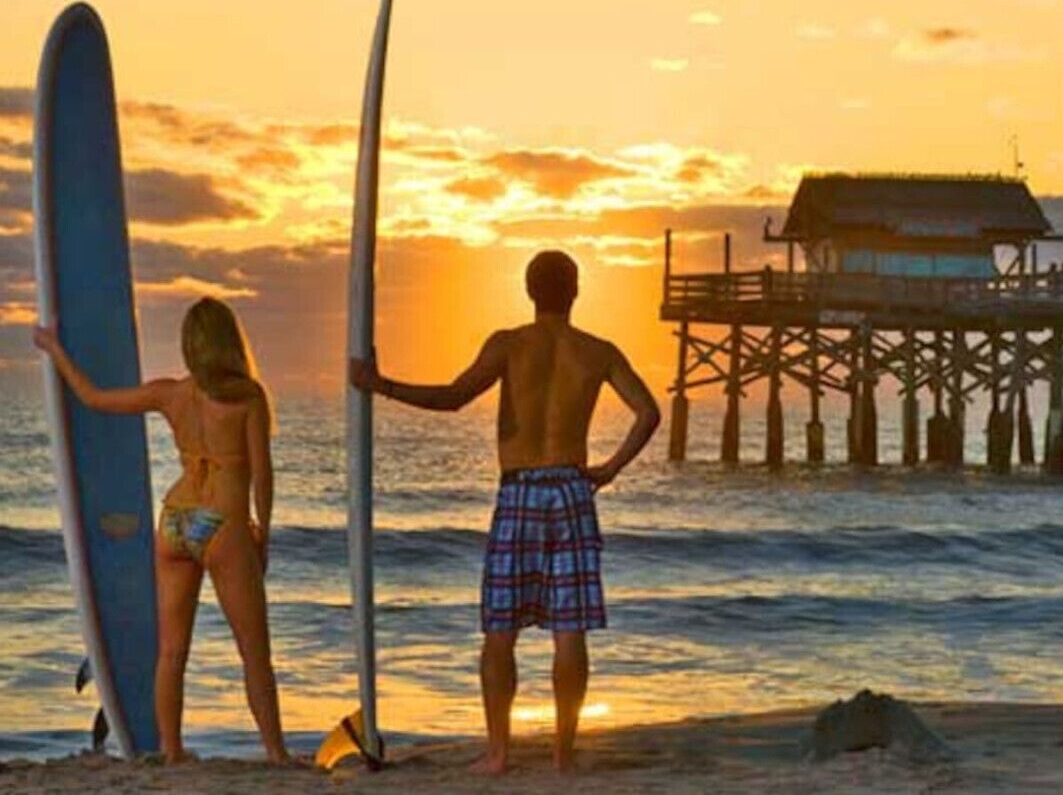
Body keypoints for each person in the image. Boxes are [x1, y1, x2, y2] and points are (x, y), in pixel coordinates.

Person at [351, 250, 660, 775]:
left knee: (500, 629)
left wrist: (380, 386)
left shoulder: (510, 344)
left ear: (528, 289)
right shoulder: (597, 351)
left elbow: (452, 398)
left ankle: (498, 754)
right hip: (570, 490)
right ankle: (563, 756)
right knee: (570, 630)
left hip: (519, 490)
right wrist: (608, 470)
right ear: (577, 290)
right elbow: (649, 412)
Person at [34, 297, 290, 765]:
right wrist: (263, 532)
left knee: (171, 651)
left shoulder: (171, 394)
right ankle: (276, 753)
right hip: (223, 523)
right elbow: (263, 472)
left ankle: (172, 751)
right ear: (230, 342)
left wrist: (53, 348)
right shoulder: (248, 397)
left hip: (174, 522)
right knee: (255, 655)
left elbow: (93, 398)